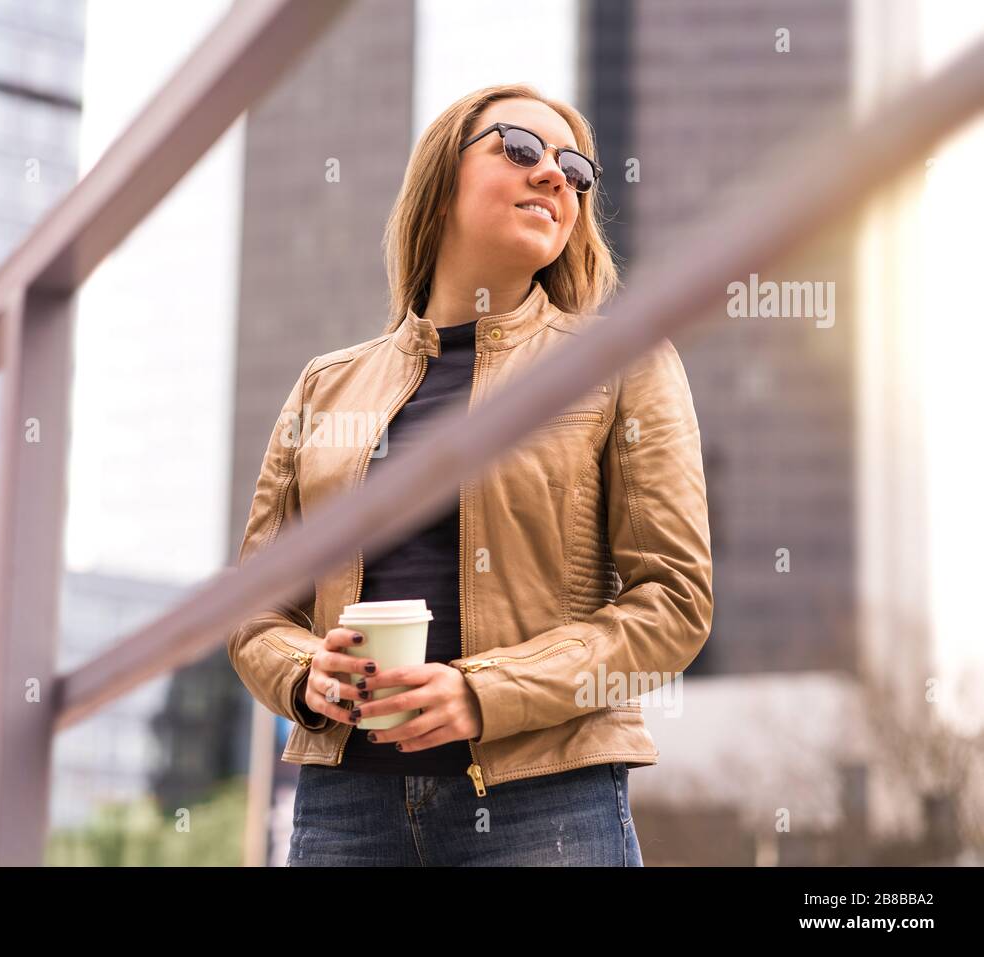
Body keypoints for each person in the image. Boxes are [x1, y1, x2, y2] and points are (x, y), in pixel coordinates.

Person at [228, 83, 714, 866]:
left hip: (545, 799)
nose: (555, 176)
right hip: (345, 807)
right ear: (441, 178)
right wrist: (303, 672)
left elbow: (674, 603)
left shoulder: (623, 363)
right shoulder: (326, 385)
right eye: (520, 148)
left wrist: (483, 690)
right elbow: (255, 608)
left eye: (576, 169)